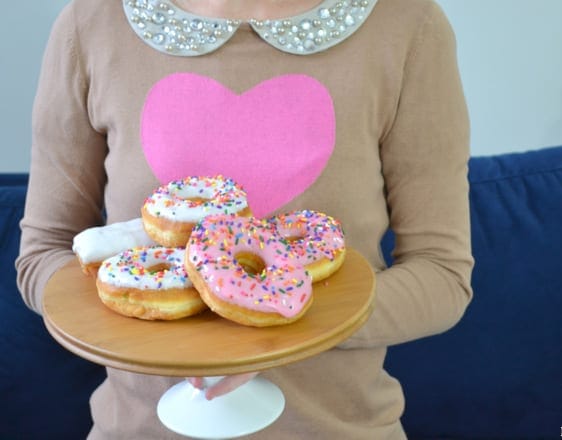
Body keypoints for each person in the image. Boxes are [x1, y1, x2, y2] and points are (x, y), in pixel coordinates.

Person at [16, 0, 474, 438]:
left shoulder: (409, 27)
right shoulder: (90, 24)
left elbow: (442, 275)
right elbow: (42, 256)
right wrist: (163, 322)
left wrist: (276, 325)